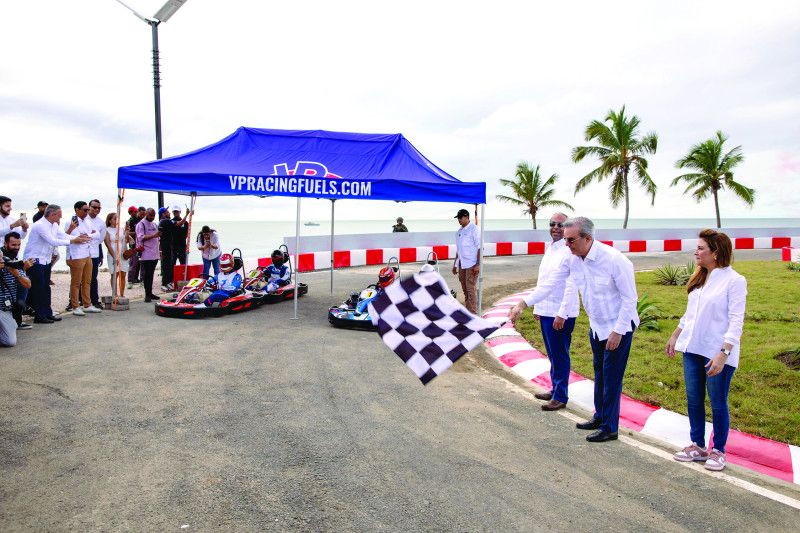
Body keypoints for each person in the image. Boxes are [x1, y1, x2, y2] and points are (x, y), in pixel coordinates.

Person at [510, 217, 639, 443]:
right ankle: (600, 417)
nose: (566, 244)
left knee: (611, 376)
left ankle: (610, 427)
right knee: (600, 373)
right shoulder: (573, 258)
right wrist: (523, 303)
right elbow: (550, 284)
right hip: (597, 327)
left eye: (571, 240)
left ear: (587, 238)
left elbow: (630, 299)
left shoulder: (615, 260)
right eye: (566, 240)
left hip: (618, 326)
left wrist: (618, 332)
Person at [666, 229, 747, 472]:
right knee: (694, 399)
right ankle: (698, 446)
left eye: (701, 248)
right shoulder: (700, 277)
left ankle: (718, 450)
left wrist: (723, 354)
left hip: (716, 352)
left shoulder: (735, 281)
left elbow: (736, 321)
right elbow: (690, 314)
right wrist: (675, 335)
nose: (696, 252)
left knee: (718, 402)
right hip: (692, 348)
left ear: (716, 252)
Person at [521, 212, 580, 411]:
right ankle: (555, 389)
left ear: (567, 228)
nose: (555, 227)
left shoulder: (568, 251)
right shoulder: (552, 248)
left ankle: (561, 396)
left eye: (560, 225)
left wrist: (562, 313)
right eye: (552, 224)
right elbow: (544, 282)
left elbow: (571, 285)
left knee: (560, 354)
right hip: (547, 310)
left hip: (560, 313)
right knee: (552, 354)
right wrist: (538, 307)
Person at [23, 204, 90, 323]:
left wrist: (77, 237)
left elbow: (63, 235)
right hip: (35, 260)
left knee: (46, 288)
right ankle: (39, 316)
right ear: (52, 214)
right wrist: (73, 241)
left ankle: (47, 313)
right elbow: (52, 241)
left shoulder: (54, 225)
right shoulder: (40, 225)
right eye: (59, 216)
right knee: (39, 289)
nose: (60, 218)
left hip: (46, 260)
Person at [65, 201, 101, 316]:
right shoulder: (71, 222)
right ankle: (75, 306)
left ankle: (87, 304)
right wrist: (85, 236)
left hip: (87, 253)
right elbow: (73, 237)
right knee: (76, 282)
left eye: (88, 210)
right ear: (77, 210)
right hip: (76, 255)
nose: (87, 212)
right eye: (85, 210)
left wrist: (88, 235)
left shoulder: (88, 221)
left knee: (87, 281)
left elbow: (97, 234)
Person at [2, 232, 35, 330]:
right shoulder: (2, 256)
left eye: (19, 245)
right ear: (5, 244)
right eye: (13, 245)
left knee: (23, 286)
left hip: (9, 296)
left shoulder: (13, 257)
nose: (17, 247)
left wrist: (21, 270)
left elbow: (28, 284)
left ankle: (17, 320)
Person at [451, 208, 481, 314]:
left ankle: (473, 314)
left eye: (460, 217)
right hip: (462, 264)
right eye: (458, 218)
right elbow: (459, 250)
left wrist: (478, 264)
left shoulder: (474, 229)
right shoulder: (459, 232)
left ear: (467, 217)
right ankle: (468, 312)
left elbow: (480, 247)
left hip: (472, 264)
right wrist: (455, 264)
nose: (459, 220)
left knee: (470, 289)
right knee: (465, 289)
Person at [0, 253, 30, 347]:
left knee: (10, 341)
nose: (1, 260)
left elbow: (28, 285)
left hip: (4, 310)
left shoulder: (12, 268)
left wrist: (17, 275)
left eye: (1, 257)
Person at [104, 212, 131, 297]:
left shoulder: (121, 229)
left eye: (117, 218)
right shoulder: (107, 230)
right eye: (115, 219)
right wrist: (115, 257)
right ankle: (115, 294)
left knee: (123, 273)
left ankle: (122, 294)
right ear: (110, 220)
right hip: (112, 253)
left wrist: (127, 232)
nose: (117, 220)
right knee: (115, 274)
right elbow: (108, 244)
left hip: (122, 252)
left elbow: (126, 241)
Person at [86, 199, 107, 309]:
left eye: (99, 208)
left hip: (94, 253)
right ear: (89, 207)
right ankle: (76, 301)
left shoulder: (101, 223)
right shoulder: (83, 219)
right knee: (79, 279)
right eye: (94, 207)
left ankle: (94, 300)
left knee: (93, 278)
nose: (97, 209)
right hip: (81, 253)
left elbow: (100, 239)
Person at [136, 208, 160, 303]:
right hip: (145, 253)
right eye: (150, 215)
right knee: (147, 274)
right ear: (146, 213)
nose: (152, 217)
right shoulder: (141, 224)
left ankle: (150, 292)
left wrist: (160, 250)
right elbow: (140, 237)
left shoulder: (154, 224)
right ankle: (147, 294)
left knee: (151, 274)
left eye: (154, 215)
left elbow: (158, 237)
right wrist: (154, 235)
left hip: (155, 253)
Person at [157, 207, 175, 291]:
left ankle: (167, 282)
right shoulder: (165, 221)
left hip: (166, 246)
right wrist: (186, 215)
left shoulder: (162, 221)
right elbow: (178, 224)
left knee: (168, 265)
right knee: (166, 265)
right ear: (163, 214)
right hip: (165, 246)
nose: (169, 213)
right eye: (167, 212)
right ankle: (164, 284)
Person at [126, 206, 143, 288]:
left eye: (137, 212)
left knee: (141, 263)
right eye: (134, 212)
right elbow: (127, 233)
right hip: (133, 245)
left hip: (141, 244)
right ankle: (130, 281)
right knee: (133, 263)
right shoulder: (129, 221)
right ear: (130, 213)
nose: (136, 213)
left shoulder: (140, 220)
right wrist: (137, 233)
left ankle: (138, 279)